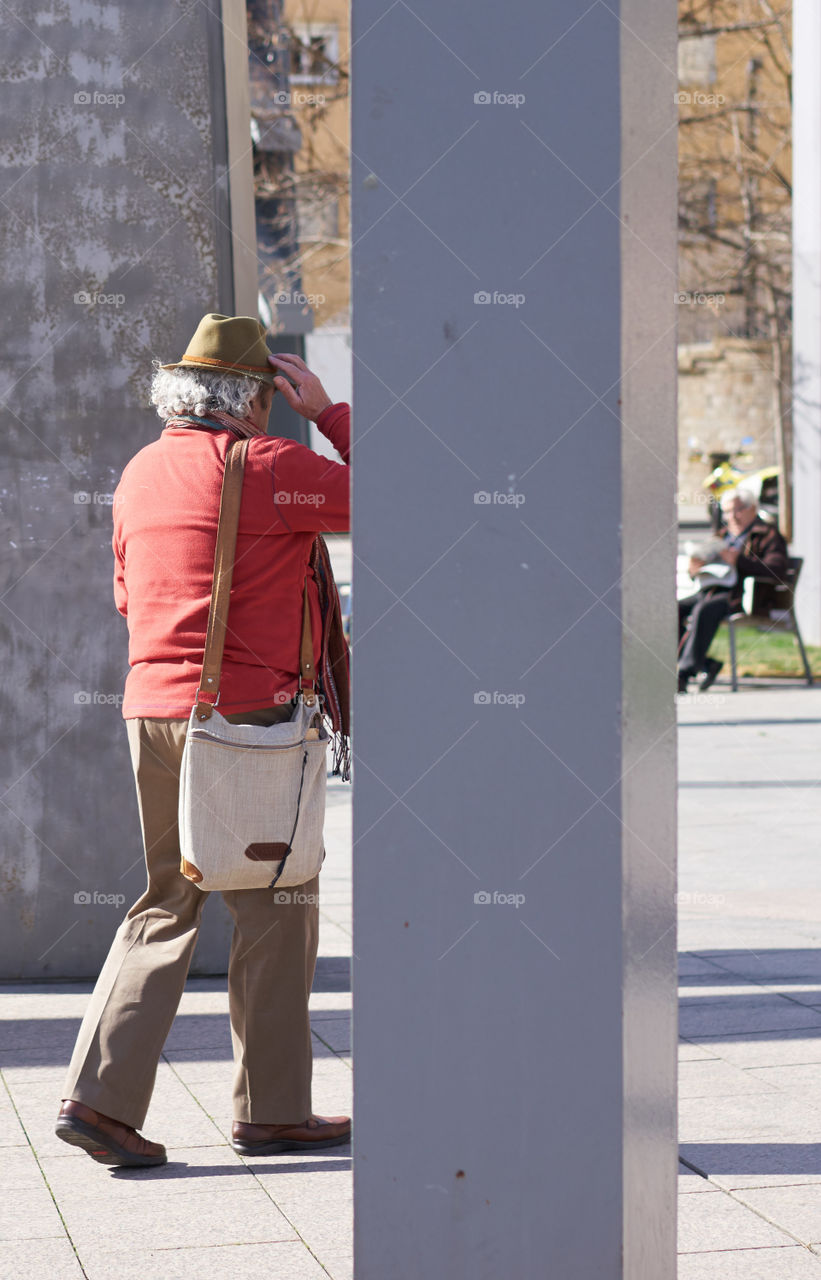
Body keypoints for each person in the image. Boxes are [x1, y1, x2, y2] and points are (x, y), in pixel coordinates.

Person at [55, 313, 352, 1167]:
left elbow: (125, 593)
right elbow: (403, 496)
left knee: (166, 899)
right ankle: (271, 1110)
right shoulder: (271, 468)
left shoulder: (142, 471)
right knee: (278, 901)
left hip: (152, 711)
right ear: (257, 399)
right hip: (247, 718)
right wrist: (329, 412)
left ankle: (101, 1101)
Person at [677, 486, 788, 693]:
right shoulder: (722, 535)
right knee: (673, 609)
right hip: (709, 589)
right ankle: (706, 664)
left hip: (740, 597)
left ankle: (683, 674)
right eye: (727, 512)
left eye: (738, 510)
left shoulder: (767, 534)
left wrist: (739, 561)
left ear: (752, 509)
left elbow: (777, 570)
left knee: (705, 610)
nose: (732, 516)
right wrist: (695, 568)